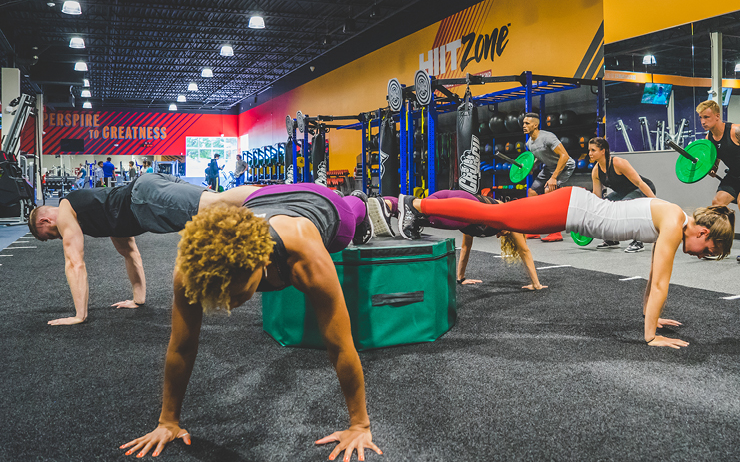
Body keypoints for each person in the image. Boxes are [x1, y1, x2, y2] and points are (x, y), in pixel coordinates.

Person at [120, 184, 380, 460]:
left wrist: (359, 425)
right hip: (261, 198)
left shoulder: (306, 255)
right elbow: (182, 346)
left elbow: (340, 346)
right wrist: (168, 421)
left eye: (234, 296)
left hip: (323, 204)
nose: (226, 306)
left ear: (263, 261)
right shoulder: (192, 267)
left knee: (350, 218)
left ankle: (359, 201)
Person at [397, 186, 734, 348]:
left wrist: (650, 314)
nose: (701, 256)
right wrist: (650, 336)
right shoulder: (675, 223)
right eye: (708, 251)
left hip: (575, 208)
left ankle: (419, 208)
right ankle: (413, 205)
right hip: (572, 208)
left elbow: (653, 279)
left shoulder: (674, 218)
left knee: (495, 218)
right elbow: (661, 283)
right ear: (703, 232)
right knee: (494, 216)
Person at [27, 174, 271, 325]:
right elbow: (130, 252)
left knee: (218, 203)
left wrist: (79, 315)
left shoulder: (66, 210)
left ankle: (284, 195)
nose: (55, 238)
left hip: (144, 197)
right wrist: (138, 299)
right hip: (145, 192)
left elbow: (75, 263)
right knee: (217, 206)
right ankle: (277, 201)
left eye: (48, 237)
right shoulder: (99, 211)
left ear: (45, 222)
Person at [378, 192, 545, 290]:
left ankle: (379, 202)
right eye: (504, 233)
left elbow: (465, 247)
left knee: (417, 211)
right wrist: (536, 284)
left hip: (454, 197)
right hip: (465, 203)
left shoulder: (479, 222)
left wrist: (461, 278)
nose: (500, 235)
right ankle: (394, 204)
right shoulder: (509, 217)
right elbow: (524, 251)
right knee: (427, 217)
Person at [589, 137, 657, 252]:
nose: (589, 153)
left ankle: (638, 241)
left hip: (642, 189)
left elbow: (640, 183)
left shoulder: (618, 163)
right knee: (605, 205)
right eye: (589, 150)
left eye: (593, 150)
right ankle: (612, 239)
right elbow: (597, 197)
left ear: (603, 151)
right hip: (624, 193)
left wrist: (656, 201)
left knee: (627, 206)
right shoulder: (596, 171)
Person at [696, 99, 740, 262]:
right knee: (717, 204)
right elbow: (715, 157)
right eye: (701, 117)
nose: (703, 121)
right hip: (734, 175)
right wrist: (713, 167)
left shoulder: (735, 131)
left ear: (717, 116)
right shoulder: (709, 137)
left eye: (706, 117)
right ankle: (717, 248)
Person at [522, 112, 575, 242]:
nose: (524, 125)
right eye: (523, 123)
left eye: (527, 123)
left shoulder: (548, 137)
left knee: (549, 191)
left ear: (535, 125)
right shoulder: (529, 144)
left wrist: (554, 177)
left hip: (565, 166)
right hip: (549, 167)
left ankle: (556, 232)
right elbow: (540, 156)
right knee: (532, 192)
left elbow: (564, 156)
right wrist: (531, 167)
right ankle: (535, 230)